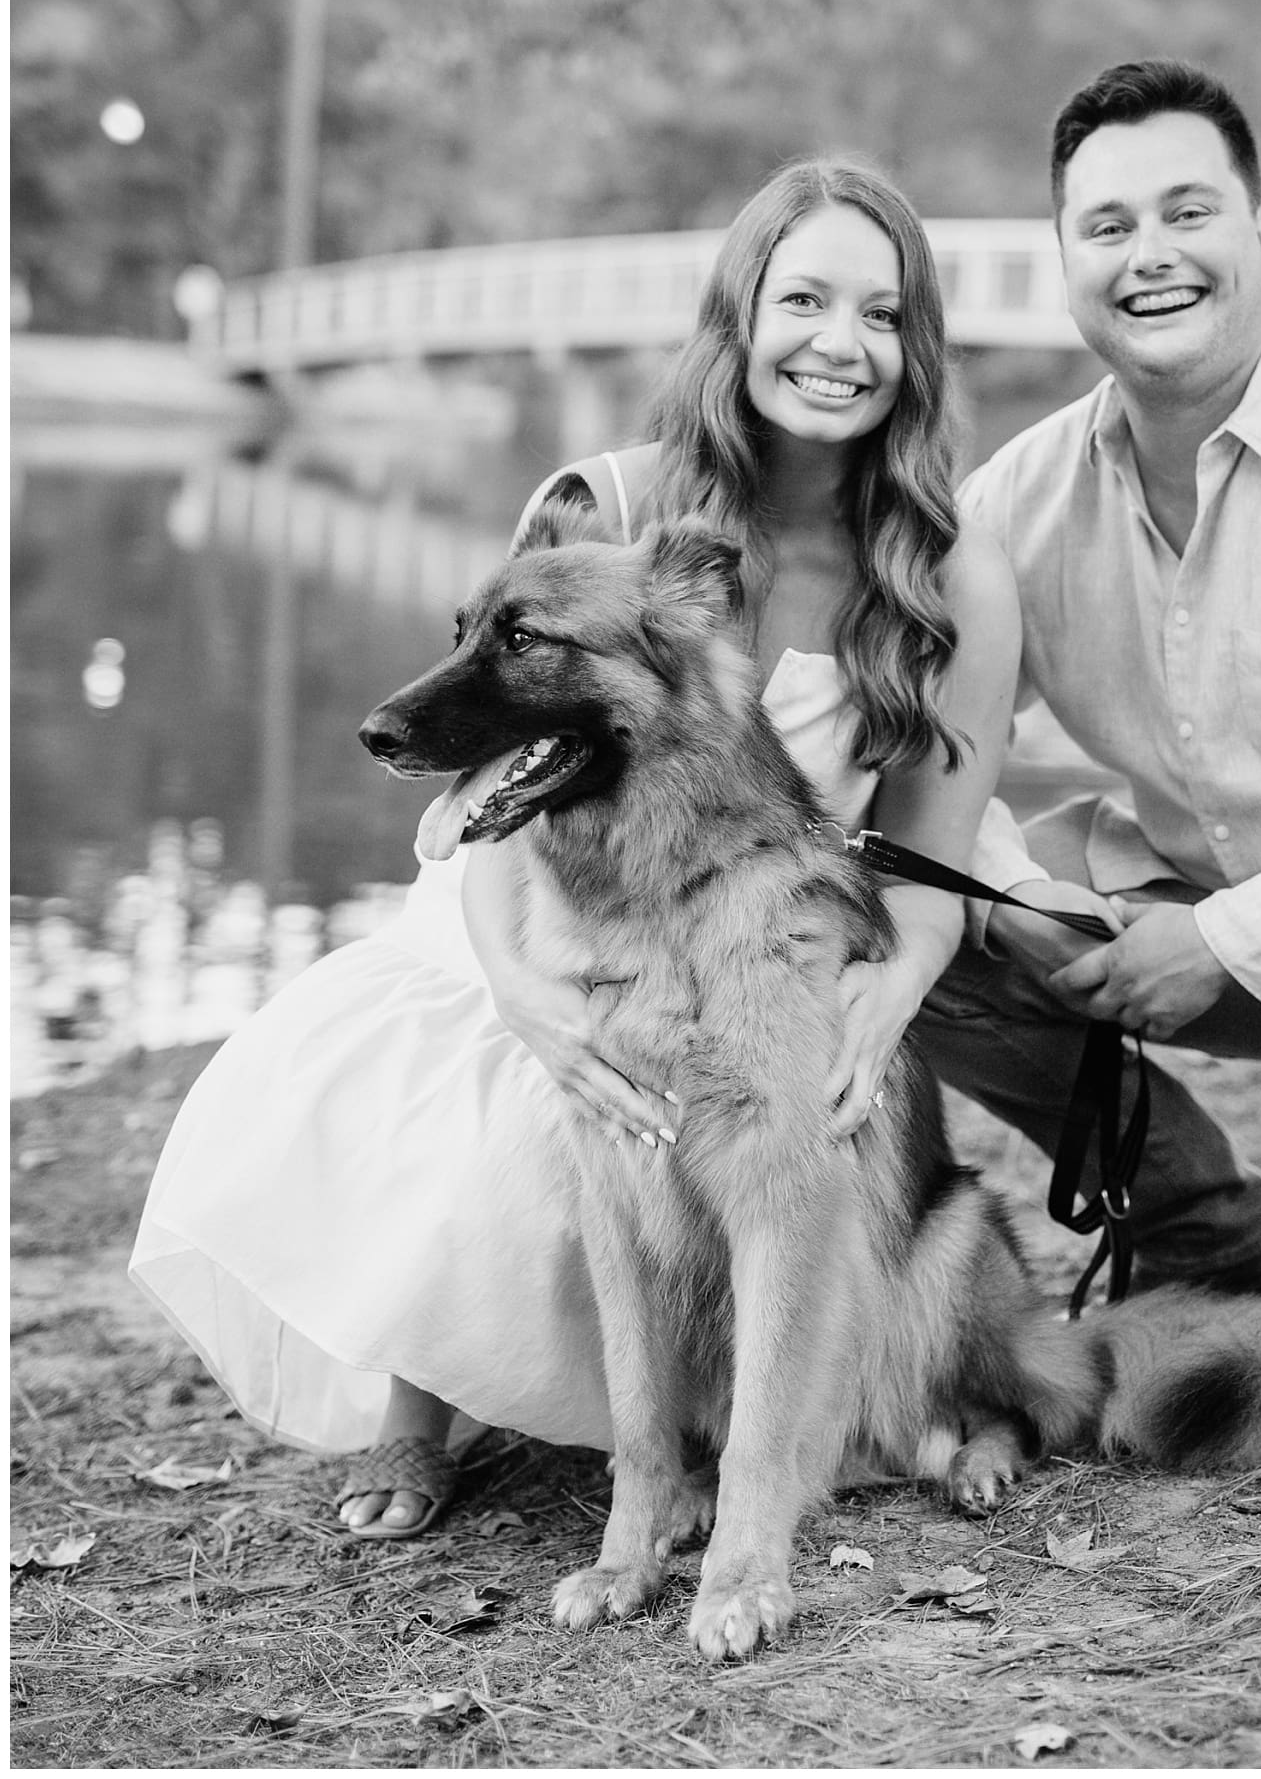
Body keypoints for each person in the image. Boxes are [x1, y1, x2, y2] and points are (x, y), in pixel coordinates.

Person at [131, 155, 1056, 1539]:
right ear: (738, 320)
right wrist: (521, 989)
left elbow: (933, 852)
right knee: (515, 1087)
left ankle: (858, 1410)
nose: (838, 344)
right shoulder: (608, 504)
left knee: (817, 1128)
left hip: (770, 916)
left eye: (880, 314)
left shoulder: (949, 567)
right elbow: (498, 778)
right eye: (803, 299)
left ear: (916, 350)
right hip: (544, 898)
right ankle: (420, 1407)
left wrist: (891, 992)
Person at [911, 58, 1261, 1408]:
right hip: (1166, 899)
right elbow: (929, 754)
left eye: (1189, 213)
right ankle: (1207, 1227)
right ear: (1066, 262)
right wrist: (1015, 891)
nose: (1149, 255)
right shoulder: (1025, 497)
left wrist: (1226, 939)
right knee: (901, 910)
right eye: (1108, 227)